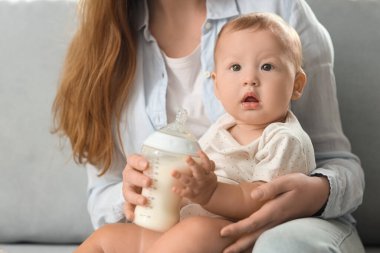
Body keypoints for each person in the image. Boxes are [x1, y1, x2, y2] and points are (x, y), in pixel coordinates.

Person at [52, 0, 365, 252]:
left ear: (297, 85)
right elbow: (103, 194)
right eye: (235, 67)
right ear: (214, 84)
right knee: (108, 238)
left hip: (237, 226)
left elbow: (262, 195)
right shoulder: (105, 41)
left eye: (266, 67)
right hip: (178, 221)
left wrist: (315, 191)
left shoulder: (281, 135)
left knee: (197, 234)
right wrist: (134, 193)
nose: (250, 79)